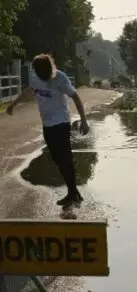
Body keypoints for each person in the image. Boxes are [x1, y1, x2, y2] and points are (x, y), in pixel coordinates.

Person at [6, 53, 90, 207]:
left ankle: (73, 193)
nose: (40, 76)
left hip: (61, 123)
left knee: (65, 158)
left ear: (48, 69)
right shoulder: (35, 77)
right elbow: (28, 90)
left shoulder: (60, 78)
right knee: (58, 159)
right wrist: (14, 104)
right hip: (47, 125)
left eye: (42, 72)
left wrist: (84, 121)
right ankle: (73, 192)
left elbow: (75, 96)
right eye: (37, 72)